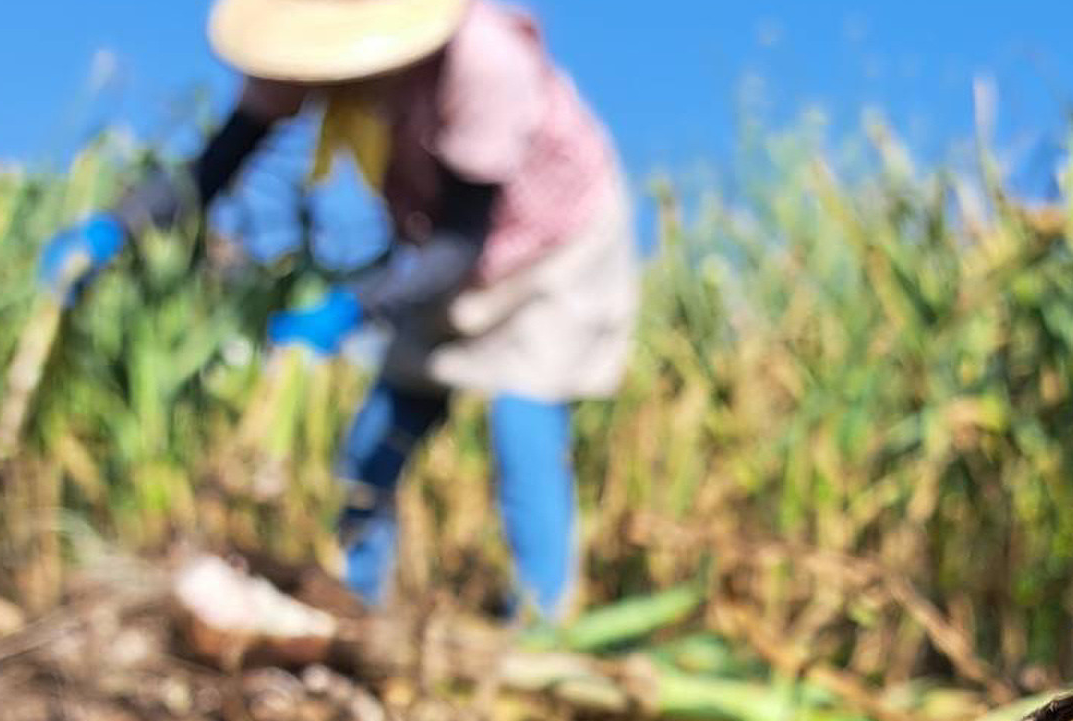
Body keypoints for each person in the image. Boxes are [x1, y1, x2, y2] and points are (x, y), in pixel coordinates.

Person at [38, 0, 639, 621]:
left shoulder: (485, 61)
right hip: (438, 253)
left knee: (523, 424)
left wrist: (354, 308)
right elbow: (214, 168)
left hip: (551, 249)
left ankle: (543, 626)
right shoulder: (298, 56)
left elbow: (461, 244)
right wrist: (116, 228)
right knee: (374, 443)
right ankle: (356, 612)